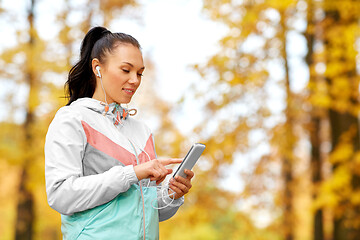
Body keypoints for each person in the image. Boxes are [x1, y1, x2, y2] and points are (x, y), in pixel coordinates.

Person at [44, 26, 194, 240]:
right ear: (97, 68)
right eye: (126, 70)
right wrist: (132, 173)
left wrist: (172, 193)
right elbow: (61, 195)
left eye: (140, 73)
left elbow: (145, 210)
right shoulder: (73, 119)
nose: (135, 80)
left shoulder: (142, 131)